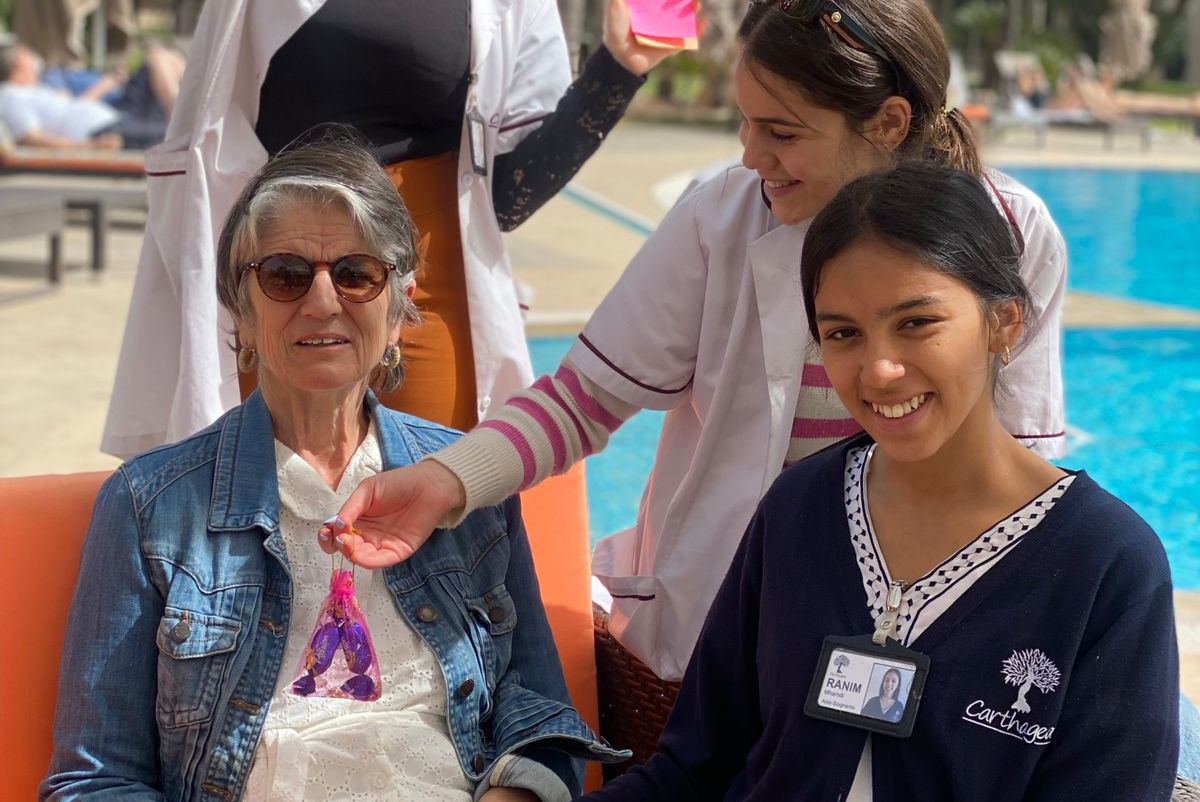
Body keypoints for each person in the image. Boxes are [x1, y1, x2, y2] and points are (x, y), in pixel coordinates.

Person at [321, 0, 1068, 683]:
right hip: (737, 625)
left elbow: (1019, 468)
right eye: (744, 125)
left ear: (888, 122)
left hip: (929, 624)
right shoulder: (725, 218)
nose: (751, 156)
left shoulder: (1012, 234)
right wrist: (447, 482)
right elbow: (582, 401)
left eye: (781, 132)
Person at [40, 137, 624, 802]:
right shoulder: (150, 507)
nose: (322, 302)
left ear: (400, 310)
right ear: (243, 314)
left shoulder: (467, 484)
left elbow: (542, 719)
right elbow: (95, 779)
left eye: (356, 273)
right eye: (286, 274)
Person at [577, 161, 1179, 801]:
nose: (879, 370)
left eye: (916, 323)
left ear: (1004, 323)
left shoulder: (1105, 564)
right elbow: (691, 771)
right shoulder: (798, 510)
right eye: (843, 334)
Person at [100, 0, 678, 457]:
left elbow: (507, 194)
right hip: (279, 278)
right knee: (264, 526)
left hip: (422, 289)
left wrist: (619, 68)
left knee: (437, 525)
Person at [0, 41, 177, 149]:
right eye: (27, 56)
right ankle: (179, 114)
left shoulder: (35, 90)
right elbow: (31, 139)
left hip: (117, 119)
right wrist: (91, 147)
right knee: (179, 135)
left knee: (159, 57)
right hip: (101, 131)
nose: (33, 60)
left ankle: (181, 110)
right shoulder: (11, 95)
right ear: (18, 64)